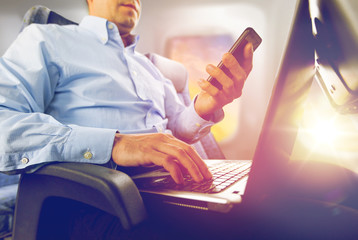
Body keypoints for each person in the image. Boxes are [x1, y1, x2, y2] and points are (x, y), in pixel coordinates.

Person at [0, 0, 253, 184]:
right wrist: (115, 144)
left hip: (168, 184)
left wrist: (204, 107)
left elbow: (176, 127)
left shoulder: (149, 67)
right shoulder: (46, 39)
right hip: (100, 195)